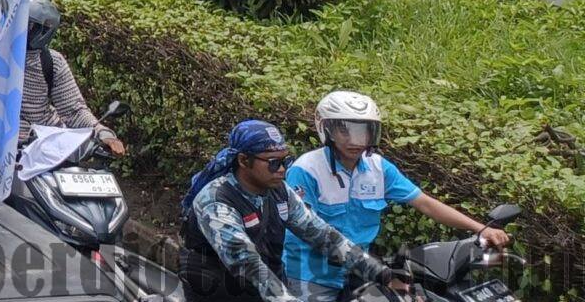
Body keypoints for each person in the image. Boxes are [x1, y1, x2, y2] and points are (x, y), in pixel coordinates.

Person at [284, 92, 509, 302]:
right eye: (345, 131)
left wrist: (481, 228)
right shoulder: (307, 170)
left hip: (361, 269)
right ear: (327, 129)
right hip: (311, 276)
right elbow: (306, 229)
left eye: (363, 131)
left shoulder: (378, 168)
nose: (356, 140)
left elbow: (426, 203)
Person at [178, 121, 404, 302]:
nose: (283, 170)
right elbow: (246, 262)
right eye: (273, 163)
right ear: (244, 160)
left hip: (266, 290)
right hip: (218, 292)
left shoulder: (279, 191)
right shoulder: (217, 200)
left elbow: (322, 234)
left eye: (285, 161)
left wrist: (381, 273)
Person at [15, 0, 122, 154]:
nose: (19, 29)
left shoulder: (52, 62)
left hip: (48, 147)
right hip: (0, 148)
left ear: (42, 30)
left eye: (27, 25)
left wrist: (101, 131)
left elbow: (73, 110)